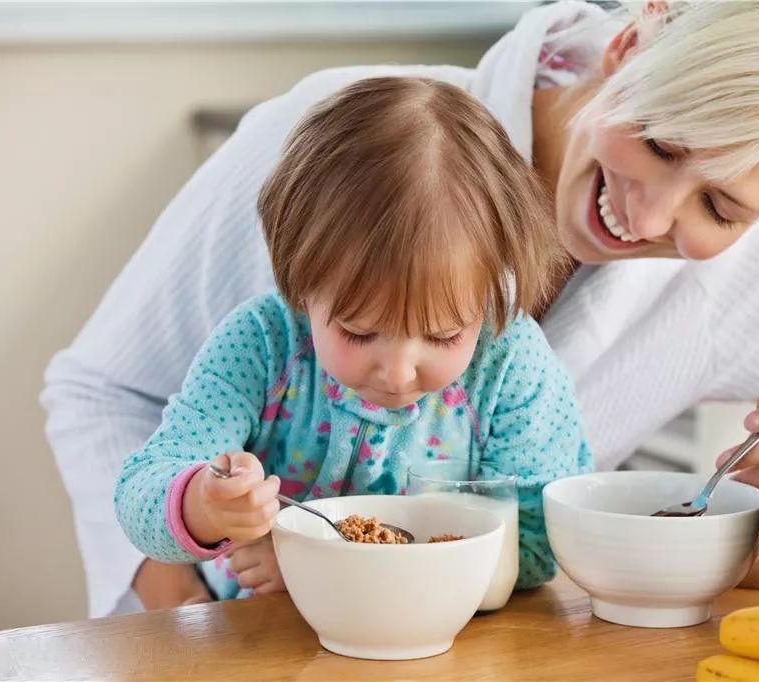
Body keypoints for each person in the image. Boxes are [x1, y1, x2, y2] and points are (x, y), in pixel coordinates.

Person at [43, 0, 759, 617]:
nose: (650, 216)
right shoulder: (328, 139)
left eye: (722, 206)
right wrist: (194, 609)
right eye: (664, 142)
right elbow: (101, 391)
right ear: (631, 45)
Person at [113, 76, 591, 600]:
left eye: (444, 334)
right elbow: (143, 488)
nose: (398, 371)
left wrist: (319, 556)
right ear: (300, 281)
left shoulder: (507, 363)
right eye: (359, 332)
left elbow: (540, 541)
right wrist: (204, 504)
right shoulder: (263, 346)